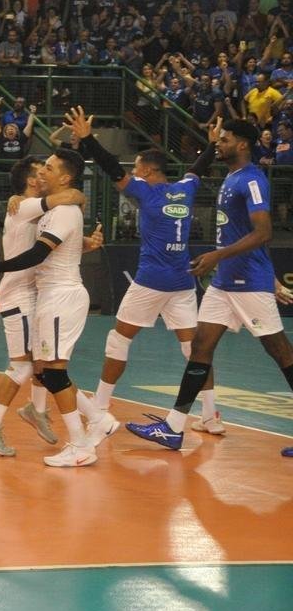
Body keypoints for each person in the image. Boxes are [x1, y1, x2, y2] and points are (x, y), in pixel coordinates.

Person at [126, 120, 293, 453]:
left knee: (280, 353)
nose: (219, 143)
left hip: (247, 284)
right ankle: (174, 427)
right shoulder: (231, 177)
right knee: (200, 348)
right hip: (224, 283)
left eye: (226, 139)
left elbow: (263, 233)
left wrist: (218, 256)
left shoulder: (253, 179)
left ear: (243, 144)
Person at [66, 106, 221, 441]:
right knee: (194, 351)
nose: (131, 175)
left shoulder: (146, 193)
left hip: (151, 281)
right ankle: (211, 415)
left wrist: (88, 139)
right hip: (182, 282)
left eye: (135, 170)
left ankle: (102, 406)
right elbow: (198, 168)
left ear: (149, 173)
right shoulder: (187, 190)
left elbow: (109, 168)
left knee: (119, 339)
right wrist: (211, 146)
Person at [0, 149, 100, 467]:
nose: (44, 172)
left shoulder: (39, 210)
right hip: (22, 296)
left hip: (43, 295)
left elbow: (54, 234)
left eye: (49, 167)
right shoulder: (29, 206)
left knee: (44, 365)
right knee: (29, 367)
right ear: (32, 181)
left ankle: (60, 416)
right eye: (40, 169)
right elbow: (72, 197)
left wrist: (81, 241)